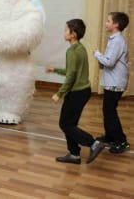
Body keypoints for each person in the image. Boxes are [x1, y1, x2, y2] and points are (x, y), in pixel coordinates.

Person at [45, 19, 104, 164]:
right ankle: (74, 154)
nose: (64, 33)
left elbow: (71, 76)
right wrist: (55, 70)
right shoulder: (81, 48)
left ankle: (93, 143)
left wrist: (59, 93)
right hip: (84, 91)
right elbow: (71, 71)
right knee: (70, 124)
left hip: (76, 93)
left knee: (65, 124)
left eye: (66, 30)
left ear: (73, 34)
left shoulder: (71, 51)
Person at [93, 12, 130, 153]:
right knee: (107, 110)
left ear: (116, 25)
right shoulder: (113, 39)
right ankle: (110, 136)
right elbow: (107, 60)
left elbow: (109, 62)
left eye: (108, 21)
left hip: (116, 83)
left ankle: (121, 141)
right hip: (112, 81)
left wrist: (97, 54)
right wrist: (101, 59)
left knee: (110, 112)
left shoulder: (118, 41)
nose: (106, 23)